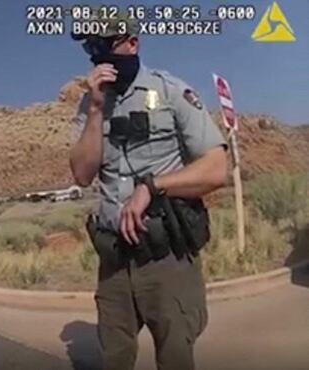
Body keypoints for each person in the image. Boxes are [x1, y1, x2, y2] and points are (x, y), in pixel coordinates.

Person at [69, 17, 228, 370]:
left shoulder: (171, 91)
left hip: (165, 258)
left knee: (174, 358)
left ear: (132, 43)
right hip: (114, 262)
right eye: (90, 48)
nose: (97, 55)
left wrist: (152, 186)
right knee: (114, 357)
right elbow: (82, 174)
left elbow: (217, 168)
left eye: (105, 44)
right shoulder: (89, 104)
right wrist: (95, 110)